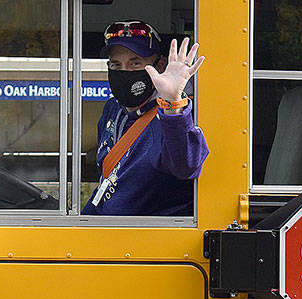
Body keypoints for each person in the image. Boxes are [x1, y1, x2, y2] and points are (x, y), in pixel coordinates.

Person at [82, 20, 209, 216]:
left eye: (135, 63)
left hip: (149, 238)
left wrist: (172, 103)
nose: (124, 72)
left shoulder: (177, 114)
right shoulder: (112, 109)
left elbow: (186, 167)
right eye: (116, 65)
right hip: (106, 233)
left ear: (158, 66)